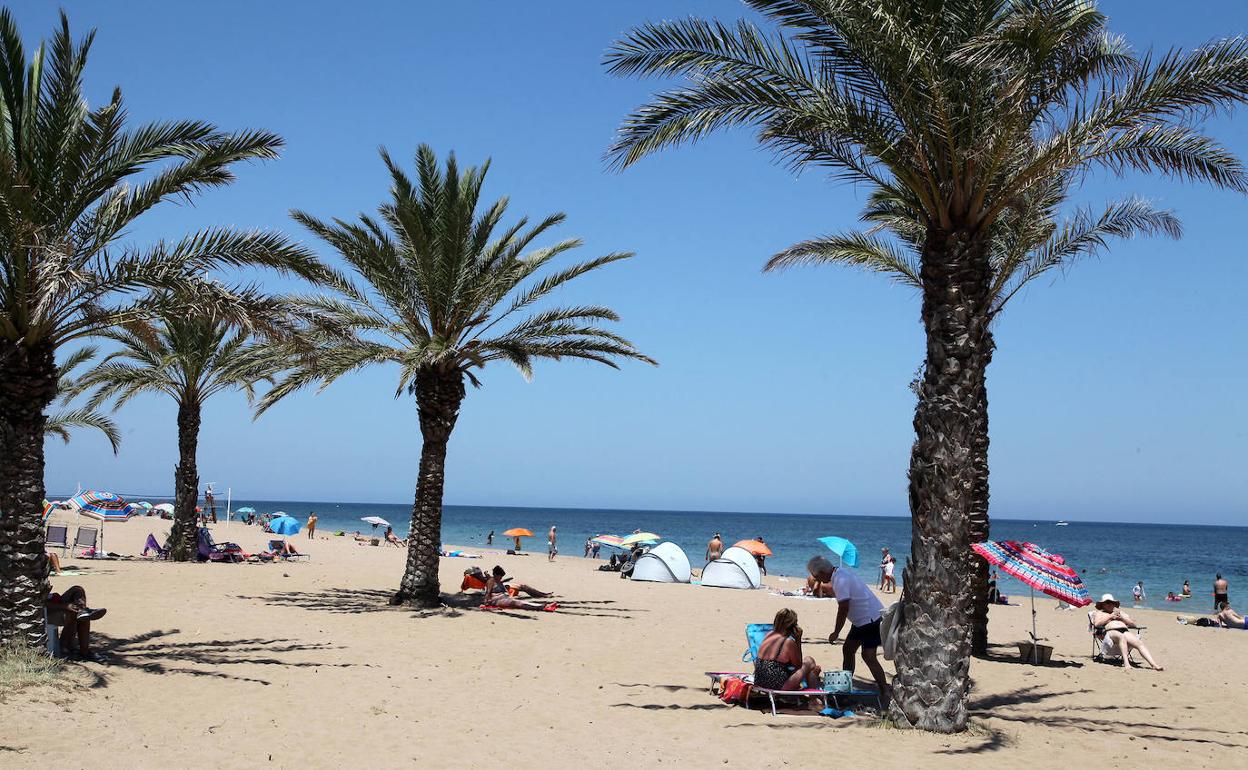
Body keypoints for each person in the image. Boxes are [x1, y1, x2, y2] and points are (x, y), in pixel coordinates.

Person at [807, 555, 888, 697]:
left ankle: (884, 690)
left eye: (817, 576)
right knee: (848, 649)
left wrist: (836, 632)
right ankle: (846, 687)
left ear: (821, 572)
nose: (817, 580)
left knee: (868, 656)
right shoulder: (838, 575)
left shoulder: (840, 579)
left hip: (870, 619)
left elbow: (843, 608)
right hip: (860, 621)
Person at [752, 608, 821, 691]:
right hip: (777, 686)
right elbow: (798, 665)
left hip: (760, 682)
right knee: (809, 661)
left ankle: (812, 693)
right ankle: (813, 700)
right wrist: (798, 640)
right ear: (792, 626)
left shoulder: (768, 635)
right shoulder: (788, 642)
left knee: (811, 670)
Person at [1089, 593, 1163, 670]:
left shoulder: (1120, 613)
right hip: (1110, 632)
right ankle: (1126, 663)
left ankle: (1153, 664)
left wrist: (1122, 618)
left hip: (1124, 630)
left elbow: (1134, 624)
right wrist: (1110, 616)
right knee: (1121, 637)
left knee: (1139, 643)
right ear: (1103, 604)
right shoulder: (1100, 613)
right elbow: (1097, 624)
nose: (1110, 604)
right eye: (1107, 602)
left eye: (1112, 602)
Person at [46, 586, 107, 661]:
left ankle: (83, 611)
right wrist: (65, 606)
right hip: (41, 610)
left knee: (77, 590)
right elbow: (37, 603)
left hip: (51, 600)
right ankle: (79, 650)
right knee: (74, 613)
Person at [481, 565, 556, 611]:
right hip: (496, 600)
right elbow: (488, 592)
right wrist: (486, 604)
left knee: (517, 602)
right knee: (517, 603)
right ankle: (541, 607)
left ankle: (541, 605)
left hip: (503, 598)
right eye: (500, 576)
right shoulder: (491, 580)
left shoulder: (497, 581)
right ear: (495, 574)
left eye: (501, 577)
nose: (500, 578)